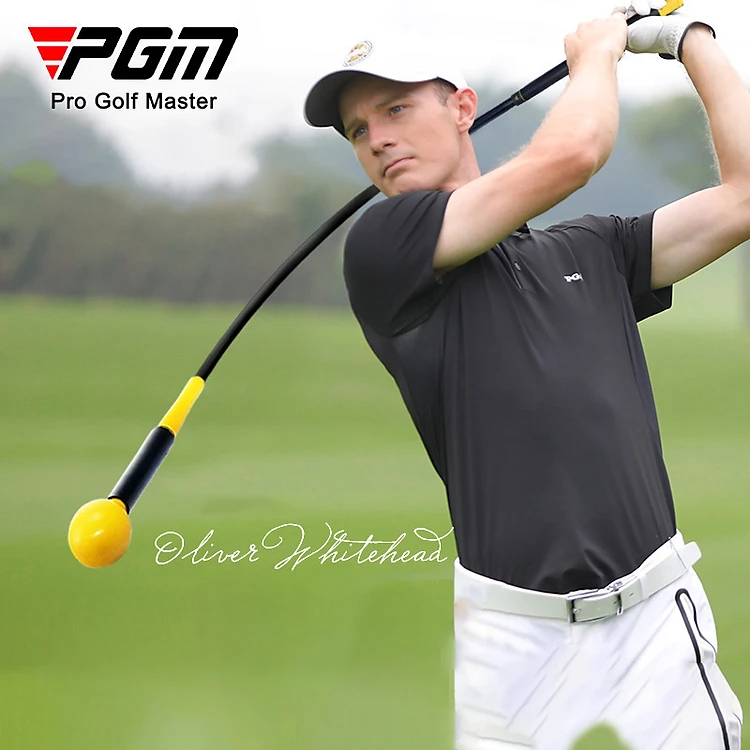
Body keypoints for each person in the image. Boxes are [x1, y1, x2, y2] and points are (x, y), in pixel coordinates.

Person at [303, 3, 746, 748]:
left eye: (395, 109)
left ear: (462, 109)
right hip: (516, 644)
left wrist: (686, 40)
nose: (376, 138)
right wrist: (596, 56)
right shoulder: (384, 249)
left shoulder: (593, 250)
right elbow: (574, 154)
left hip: (657, 621)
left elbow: (744, 197)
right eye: (356, 130)